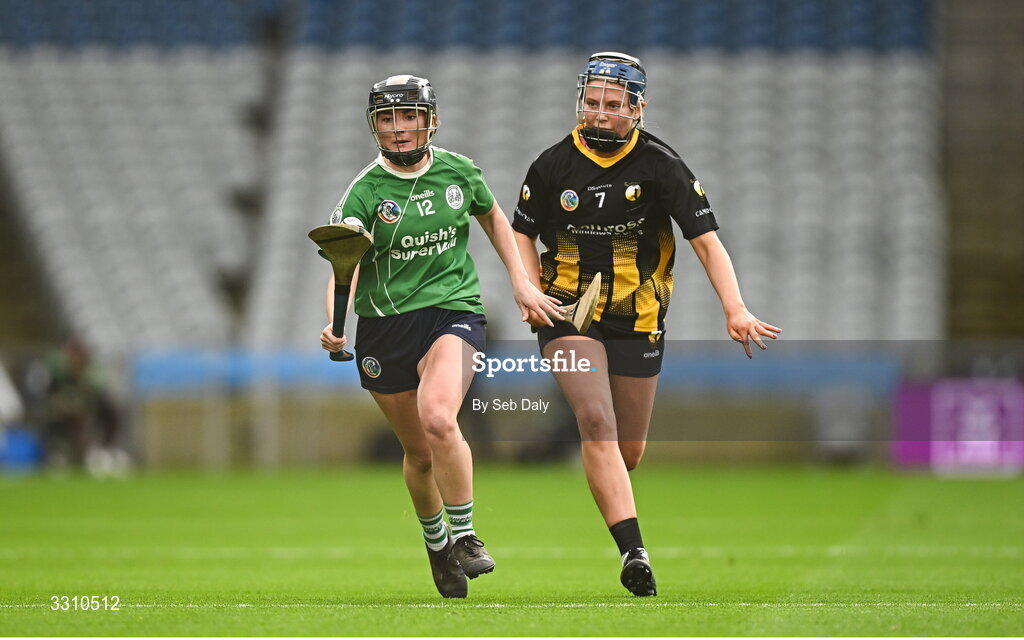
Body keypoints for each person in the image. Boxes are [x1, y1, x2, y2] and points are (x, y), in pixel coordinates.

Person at [512, 52, 781, 597]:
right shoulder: (551, 165)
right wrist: (528, 288)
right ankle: (634, 553)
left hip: (640, 315)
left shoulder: (662, 165)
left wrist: (735, 307)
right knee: (595, 420)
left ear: (636, 107)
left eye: (613, 105)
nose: (601, 114)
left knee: (626, 450)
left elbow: (706, 242)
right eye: (592, 103)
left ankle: (607, 486)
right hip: (567, 310)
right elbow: (522, 231)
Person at [319, 75, 562, 598]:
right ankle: (438, 548)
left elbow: (496, 218)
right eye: (387, 119)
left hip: (453, 311)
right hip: (385, 330)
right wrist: (335, 329)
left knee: (438, 417)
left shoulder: (458, 171)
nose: (398, 128)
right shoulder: (365, 192)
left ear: (430, 120)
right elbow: (345, 266)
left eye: (408, 116)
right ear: (375, 127)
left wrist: (522, 282)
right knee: (420, 454)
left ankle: (467, 536)